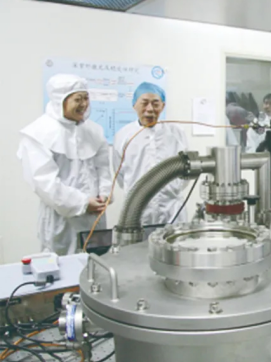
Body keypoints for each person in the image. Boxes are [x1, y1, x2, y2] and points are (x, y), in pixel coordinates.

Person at [17, 74, 111, 255]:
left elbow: (103, 168)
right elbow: (44, 183)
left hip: (95, 216)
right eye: (78, 99)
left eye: (86, 98)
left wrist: (105, 194)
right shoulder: (38, 133)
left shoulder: (94, 131)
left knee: (97, 262)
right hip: (62, 219)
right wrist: (83, 203)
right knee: (62, 265)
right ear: (60, 100)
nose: (84, 104)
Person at [113, 82, 188, 225]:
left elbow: (186, 170)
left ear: (163, 106)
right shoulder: (124, 135)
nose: (150, 109)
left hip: (171, 208)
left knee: (174, 239)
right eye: (144, 103)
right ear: (134, 105)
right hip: (137, 210)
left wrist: (172, 189)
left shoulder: (176, 132)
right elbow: (120, 174)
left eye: (155, 104)